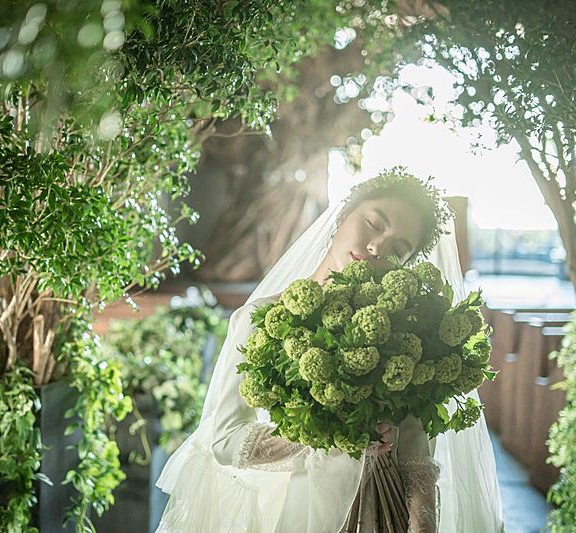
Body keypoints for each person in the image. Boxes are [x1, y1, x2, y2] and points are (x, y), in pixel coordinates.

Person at [155, 167, 505, 532]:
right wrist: (328, 434)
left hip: (381, 512)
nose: (377, 247)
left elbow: (417, 457)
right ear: (343, 214)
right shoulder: (259, 319)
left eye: (398, 249)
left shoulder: (405, 335)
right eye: (373, 223)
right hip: (296, 510)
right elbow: (226, 441)